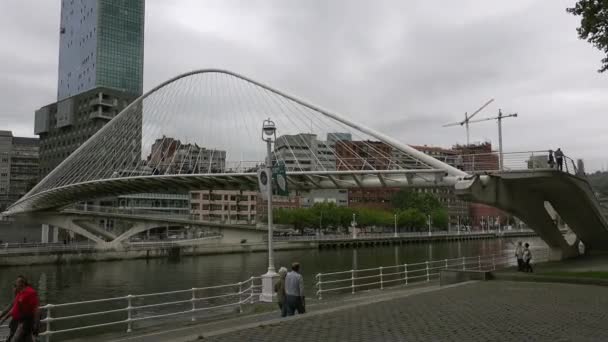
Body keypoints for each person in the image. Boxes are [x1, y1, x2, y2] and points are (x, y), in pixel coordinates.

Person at [9, 276, 40, 342]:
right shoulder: (20, 293)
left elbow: (36, 309)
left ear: (22, 283)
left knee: (16, 339)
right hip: (20, 321)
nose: (15, 284)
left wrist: (36, 324)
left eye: (16, 282)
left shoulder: (30, 292)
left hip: (26, 321)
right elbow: (14, 308)